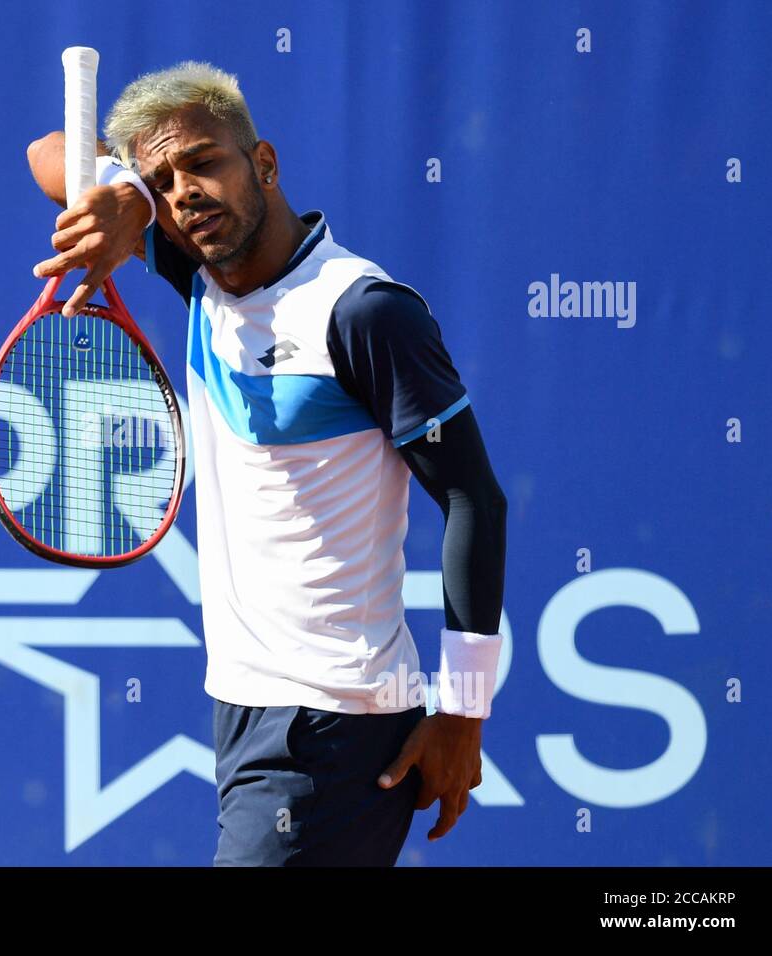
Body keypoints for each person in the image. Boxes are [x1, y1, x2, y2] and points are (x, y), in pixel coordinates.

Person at [26, 61, 507, 866]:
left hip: (332, 725)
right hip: (246, 708)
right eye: (163, 181)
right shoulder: (200, 273)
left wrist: (462, 715)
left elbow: (473, 499)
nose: (186, 191)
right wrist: (128, 198)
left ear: (266, 164)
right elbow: (47, 152)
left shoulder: (363, 312)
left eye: (204, 161)